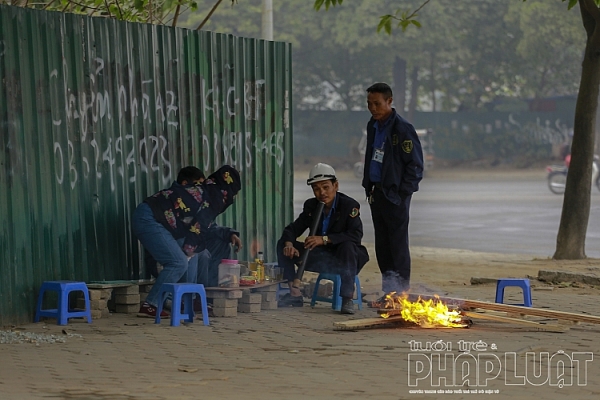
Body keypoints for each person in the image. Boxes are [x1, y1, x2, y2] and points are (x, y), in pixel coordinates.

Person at [133, 165, 241, 317]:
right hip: (150, 219)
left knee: (194, 253)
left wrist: (227, 234)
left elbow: (200, 228)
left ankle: (187, 302)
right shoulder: (212, 199)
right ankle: (151, 304)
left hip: (154, 218)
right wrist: (189, 253)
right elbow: (199, 229)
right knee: (179, 262)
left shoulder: (206, 191)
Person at [276, 163, 369, 314]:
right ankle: (294, 293)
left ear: (336, 185)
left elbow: (355, 235)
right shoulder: (311, 205)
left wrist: (324, 239)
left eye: (326, 187)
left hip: (345, 259)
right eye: (316, 189)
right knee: (282, 244)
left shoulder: (349, 205)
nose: (322, 193)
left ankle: (347, 299)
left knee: (348, 246)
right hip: (321, 258)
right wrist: (289, 244)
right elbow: (292, 229)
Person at [362, 82, 424, 305]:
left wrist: (401, 194)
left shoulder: (402, 129)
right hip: (376, 193)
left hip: (395, 195)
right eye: (369, 104)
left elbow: (415, 167)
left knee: (397, 245)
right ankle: (389, 291)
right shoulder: (373, 125)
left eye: (377, 104)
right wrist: (368, 185)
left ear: (389, 101)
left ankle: (402, 293)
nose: (373, 108)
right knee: (383, 245)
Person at [144, 168, 243, 288]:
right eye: (198, 185)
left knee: (219, 243)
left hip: (183, 245)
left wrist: (229, 234)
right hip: (167, 252)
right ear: (186, 184)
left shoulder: (197, 201)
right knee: (198, 251)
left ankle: (206, 292)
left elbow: (207, 226)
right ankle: (190, 296)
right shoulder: (176, 199)